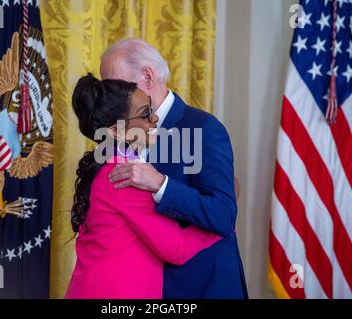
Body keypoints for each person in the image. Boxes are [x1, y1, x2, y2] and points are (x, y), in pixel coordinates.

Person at [101, 38, 248, 298]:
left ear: (147, 76)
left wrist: (160, 184)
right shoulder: (118, 131)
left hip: (202, 287)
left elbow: (224, 216)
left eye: (117, 85)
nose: (110, 96)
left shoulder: (203, 128)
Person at [64, 74, 221, 299]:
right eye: (145, 114)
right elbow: (177, 248)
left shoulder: (111, 163)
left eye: (151, 109)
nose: (154, 118)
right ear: (116, 131)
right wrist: (218, 219)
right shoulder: (124, 175)